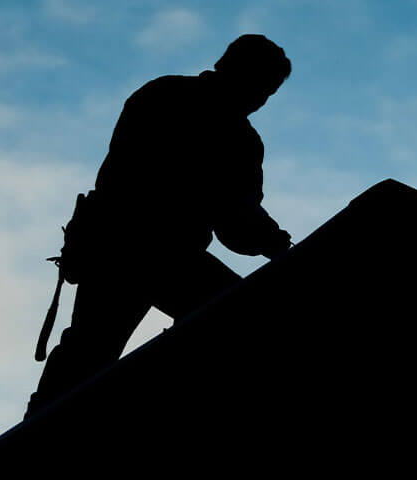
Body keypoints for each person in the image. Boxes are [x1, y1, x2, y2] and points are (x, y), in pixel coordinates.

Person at [25, 34, 292, 418]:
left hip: (129, 248)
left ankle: (44, 421)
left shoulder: (165, 95)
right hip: (140, 251)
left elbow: (236, 219)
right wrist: (275, 244)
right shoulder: (226, 131)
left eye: (268, 92)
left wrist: (269, 240)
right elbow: (236, 219)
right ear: (239, 73)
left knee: (88, 350)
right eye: (263, 87)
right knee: (235, 319)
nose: (261, 100)